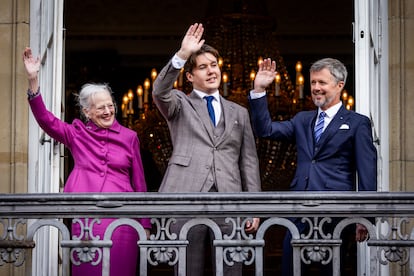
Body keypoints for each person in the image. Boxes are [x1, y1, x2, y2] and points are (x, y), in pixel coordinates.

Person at [22, 47, 151, 276]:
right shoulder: (76, 134)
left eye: (110, 105)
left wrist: (145, 224)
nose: (108, 111)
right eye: (101, 107)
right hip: (88, 217)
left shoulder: (130, 137)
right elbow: (46, 121)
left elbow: (139, 184)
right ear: (87, 111)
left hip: (124, 219)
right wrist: (33, 81)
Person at [248, 57, 377, 275]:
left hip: (336, 212)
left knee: (332, 271)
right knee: (290, 269)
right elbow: (265, 130)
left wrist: (365, 217)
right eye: (313, 82)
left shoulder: (357, 122)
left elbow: (367, 171)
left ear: (339, 85)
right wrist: (259, 89)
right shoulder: (302, 119)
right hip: (299, 210)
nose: (316, 88)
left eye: (322, 83)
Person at [152, 23, 262, 275]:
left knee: (231, 268)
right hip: (186, 197)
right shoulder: (179, 103)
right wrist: (182, 55)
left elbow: (249, 163)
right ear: (189, 77)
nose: (211, 71)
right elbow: (159, 90)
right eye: (203, 67)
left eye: (214, 65)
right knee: (189, 268)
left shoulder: (240, 112)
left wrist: (255, 207)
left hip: (230, 200)